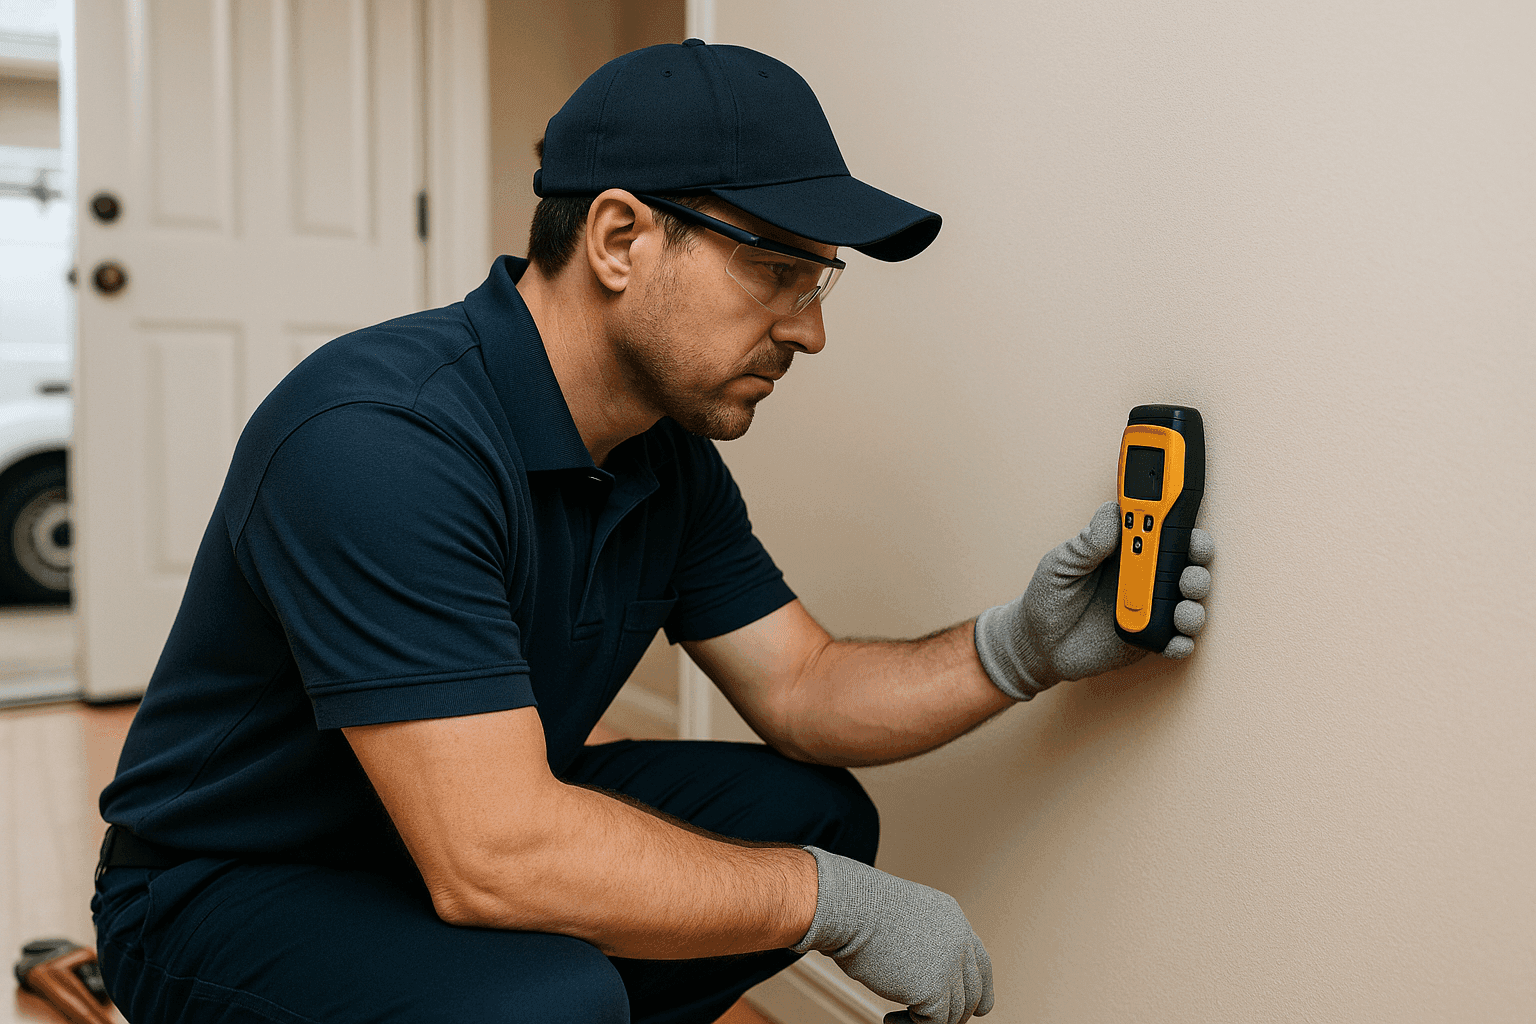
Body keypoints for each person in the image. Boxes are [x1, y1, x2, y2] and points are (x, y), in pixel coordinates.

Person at [92, 39, 1213, 1024]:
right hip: (228, 885)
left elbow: (804, 686)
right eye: (776, 269)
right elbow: (495, 855)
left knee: (811, 807)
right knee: (556, 994)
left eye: (819, 281)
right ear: (621, 236)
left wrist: (1018, 649)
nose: (812, 330)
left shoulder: (662, 455)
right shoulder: (382, 439)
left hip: (452, 830)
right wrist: (832, 903)